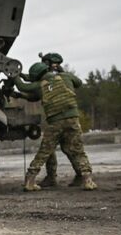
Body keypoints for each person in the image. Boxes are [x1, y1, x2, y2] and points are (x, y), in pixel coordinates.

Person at [14, 62, 97, 191]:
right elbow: (79, 83)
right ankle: (87, 181)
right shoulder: (65, 76)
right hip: (72, 120)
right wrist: (61, 71)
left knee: (44, 152)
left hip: (55, 123)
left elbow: (23, 87)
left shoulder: (40, 85)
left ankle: (29, 182)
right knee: (78, 150)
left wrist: (14, 75)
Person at [19, 52, 67, 187]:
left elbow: (32, 87)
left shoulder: (53, 77)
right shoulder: (56, 76)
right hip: (60, 117)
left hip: (58, 118)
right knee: (69, 148)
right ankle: (55, 177)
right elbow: (35, 92)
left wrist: (17, 77)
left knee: (50, 149)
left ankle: (35, 178)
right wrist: (21, 76)